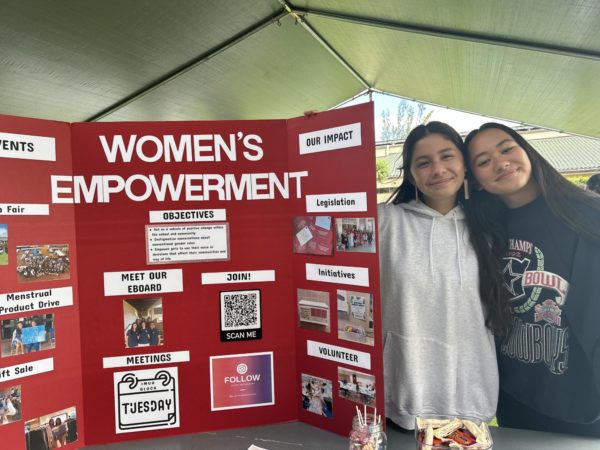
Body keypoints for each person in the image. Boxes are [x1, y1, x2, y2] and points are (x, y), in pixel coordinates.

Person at [465, 122, 600, 436]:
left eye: (507, 148)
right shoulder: (482, 233)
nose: (500, 163)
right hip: (516, 401)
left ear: (527, 151)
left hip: (583, 402)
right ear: (478, 182)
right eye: (483, 162)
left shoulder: (589, 214)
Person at [378, 122, 509, 430]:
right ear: (411, 175)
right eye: (423, 163)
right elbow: (315, 223)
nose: (437, 169)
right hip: (403, 393)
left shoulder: (491, 227)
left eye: (447, 156)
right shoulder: (386, 222)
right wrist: (315, 135)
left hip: (470, 393)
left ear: (464, 164)